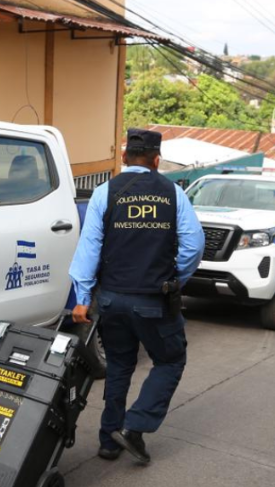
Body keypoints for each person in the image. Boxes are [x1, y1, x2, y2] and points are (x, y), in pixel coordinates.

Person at [69, 128, 204, 464]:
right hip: (153, 300)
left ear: (124, 157)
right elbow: (194, 245)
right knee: (170, 360)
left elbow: (89, 249)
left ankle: (109, 441)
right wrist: (176, 279)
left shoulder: (105, 192)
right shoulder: (173, 194)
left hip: (112, 298)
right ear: (157, 161)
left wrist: (82, 298)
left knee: (118, 365)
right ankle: (135, 426)